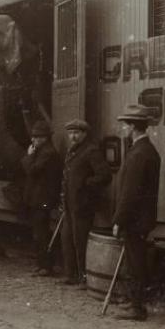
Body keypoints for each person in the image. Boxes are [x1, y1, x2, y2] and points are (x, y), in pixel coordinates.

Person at [112, 104, 161, 321]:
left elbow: (129, 193)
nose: (122, 128)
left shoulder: (139, 153)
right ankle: (134, 303)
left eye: (124, 124)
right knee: (135, 261)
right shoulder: (146, 150)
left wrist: (118, 220)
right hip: (141, 218)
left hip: (134, 219)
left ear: (132, 127)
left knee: (136, 262)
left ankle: (136, 307)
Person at [59, 119, 112, 287]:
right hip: (69, 204)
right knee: (67, 238)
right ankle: (71, 275)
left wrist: (85, 184)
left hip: (82, 205)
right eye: (70, 133)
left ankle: (84, 277)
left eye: (76, 133)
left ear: (84, 134)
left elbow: (105, 175)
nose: (72, 136)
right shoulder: (72, 151)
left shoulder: (91, 151)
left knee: (80, 241)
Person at [20, 120, 62, 276]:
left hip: (42, 199)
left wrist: (28, 156)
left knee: (41, 233)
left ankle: (45, 266)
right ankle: (42, 264)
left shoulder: (48, 153)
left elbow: (32, 170)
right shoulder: (43, 152)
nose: (33, 140)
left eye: (36, 137)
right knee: (39, 232)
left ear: (45, 138)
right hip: (39, 199)